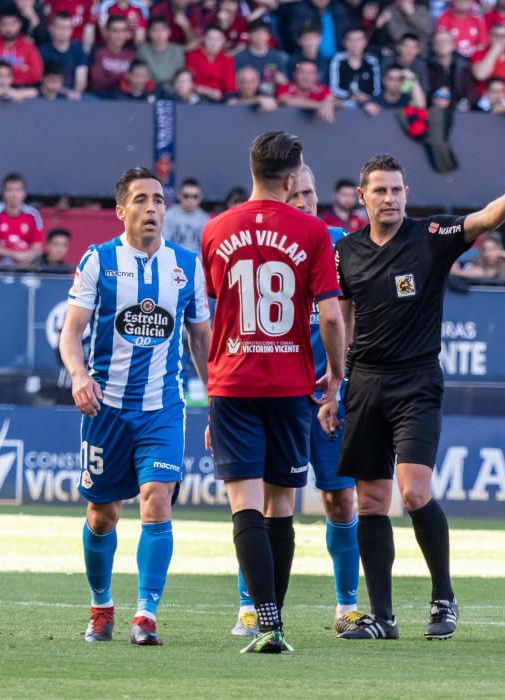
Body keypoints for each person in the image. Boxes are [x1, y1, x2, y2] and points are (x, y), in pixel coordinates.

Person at [334, 150, 505, 640]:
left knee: (413, 492)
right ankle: (382, 618)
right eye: (380, 190)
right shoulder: (345, 252)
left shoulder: (431, 237)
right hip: (364, 382)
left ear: (407, 192)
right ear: (362, 197)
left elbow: (482, 220)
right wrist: (336, 379)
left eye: (397, 189)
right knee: (369, 501)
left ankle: (443, 598)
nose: (389, 198)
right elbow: (342, 318)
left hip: (416, 382)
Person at [201, 131, 346, 654]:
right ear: (292, 179)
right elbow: (330, 314)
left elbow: (218, 311)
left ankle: (264, 621)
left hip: (233, 382)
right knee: (281, 507)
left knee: (244, 504)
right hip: (291, 387)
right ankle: (274, 622)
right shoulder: (313, 232)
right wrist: (335, 372)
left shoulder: (215, 230)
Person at [59, 167, 211, 647]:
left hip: (162, 409)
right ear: (121, 210)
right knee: (102, 514)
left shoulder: (187, 265)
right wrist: (80, 376)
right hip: (105, 410)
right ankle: (101, 605)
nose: (153, 208)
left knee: (157, 499)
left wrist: (219, 401)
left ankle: (145, 614)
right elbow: (71, 333)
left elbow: (201, 339)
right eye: (142, 200)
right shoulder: (98, 260)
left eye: (159, 200)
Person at [229, 163, 364, 638]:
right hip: (274, 391)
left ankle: (346, 606)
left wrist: (342, 374)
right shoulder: (260, 245)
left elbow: (348, 311)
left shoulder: (337, 242)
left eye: (311, 192)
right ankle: (251, 605)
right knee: (268, 503)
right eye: (298, 193)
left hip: (328, 392)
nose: (305, 201)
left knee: (340, 499)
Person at [0, 172, 43, 267]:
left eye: (18, 190)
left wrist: (29, 256)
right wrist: (15, 255)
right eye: (10, 190)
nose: (14, 194)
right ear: (3, 193)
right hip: (1, 263)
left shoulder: (33, 214)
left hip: (27, 263)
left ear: (24, 193)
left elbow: (37, 247)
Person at [0, 8, 43, 86]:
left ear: (19, 25)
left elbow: (36, 75)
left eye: (12, 24)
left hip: (21, 90)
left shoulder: (28, 46)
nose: (8, 28)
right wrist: (22, 68)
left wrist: (8, 78)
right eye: (4, 24)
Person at [328, 27, 381, 108]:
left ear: (365, 42)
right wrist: (351, 96)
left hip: (369, 104)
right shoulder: (337, 59)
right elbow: (333, 88)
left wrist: (366, 98)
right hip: (342, 105)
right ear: (344, 42)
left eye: (359, 40)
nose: (355, 44)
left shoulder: (372, 61)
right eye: (351, 40)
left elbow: (377, 90)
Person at [39, 11, 88, 98]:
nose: (63, 31)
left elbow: (81, 79)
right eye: (60, 27)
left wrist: (75, 94)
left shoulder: (78, 49)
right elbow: (41, 79)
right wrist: (64, 92)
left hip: (74, 96)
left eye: (67, 28)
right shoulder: (43, 50)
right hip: (48, 94)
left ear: (71, 30)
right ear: (52, 28)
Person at [89, 15, 134, 97]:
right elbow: (97, 82)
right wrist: (123, 79)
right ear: (107, 32)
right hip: (100, 98)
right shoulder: (98, 52)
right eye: (115, 31)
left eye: (123, 31)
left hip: (126, 100)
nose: (119, 35)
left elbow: (135, 83)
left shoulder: (131, 55)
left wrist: (110, 76)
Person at [162, 178, 209, 256]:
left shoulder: (205, 219)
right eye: (186, 196)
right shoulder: (168, 215)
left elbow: (206, 249)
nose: (190, 200)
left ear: (201, 197)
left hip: (197, 261)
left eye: (195, 196)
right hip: (173, 259)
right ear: (179, 195)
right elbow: (164, 244)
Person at [137, 16, 185, 90]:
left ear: (169, 32)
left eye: (162, 30)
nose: (159, 34)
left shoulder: (177, 51)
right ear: (148, 33)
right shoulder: (143, 50)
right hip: (149, 90)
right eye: (154, 30)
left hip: (173, 91)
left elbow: (180, 75)